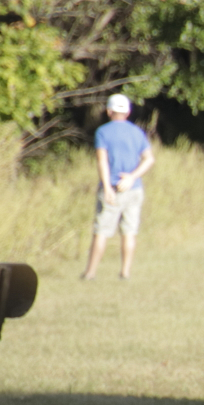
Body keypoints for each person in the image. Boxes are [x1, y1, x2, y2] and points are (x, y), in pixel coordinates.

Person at [83, 94, 155, 280]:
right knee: (129, 232)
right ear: (128, 112)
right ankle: (125, 272)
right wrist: (132, 177)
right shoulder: (137, 132)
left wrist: (107, 187)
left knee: (101, 232)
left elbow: (102, 161)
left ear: (109, 111)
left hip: (113, 188)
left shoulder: (103, 132)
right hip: (134, 188)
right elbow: (149, 159)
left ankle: (90, 273)